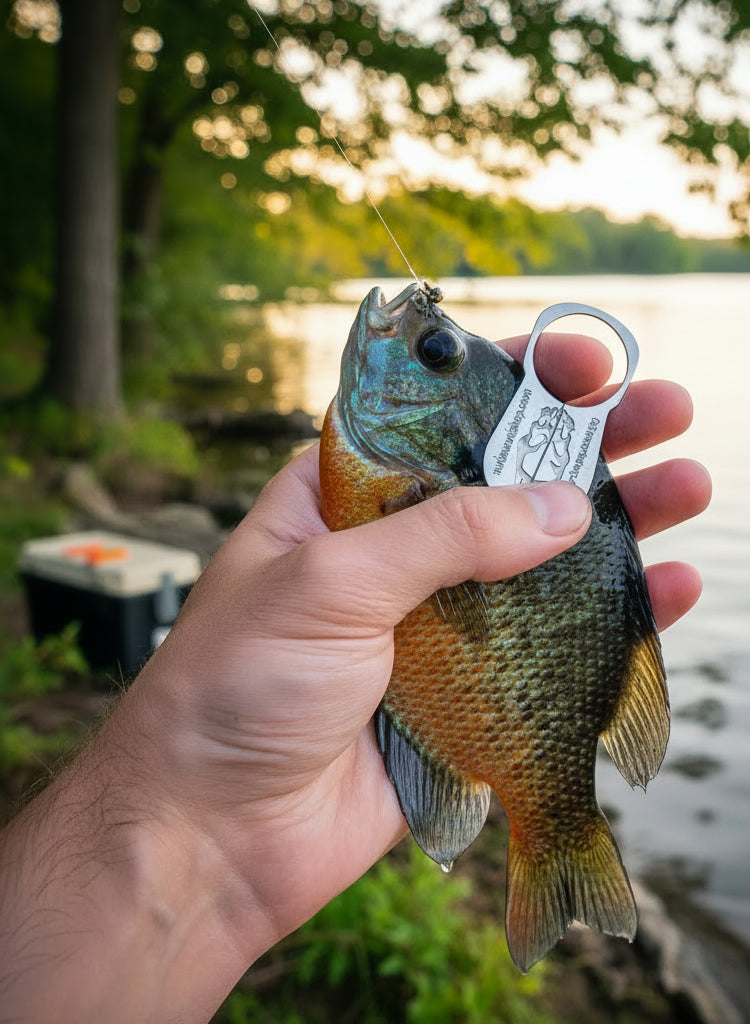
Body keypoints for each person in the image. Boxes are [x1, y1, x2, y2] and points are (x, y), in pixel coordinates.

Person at [0, 330, 711, 1022]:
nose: (405, 331)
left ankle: (559, 832)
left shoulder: (405, 471)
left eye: (433, 353)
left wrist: (187, 813)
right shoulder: (405, 473)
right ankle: (560, 841)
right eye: (438, 352)